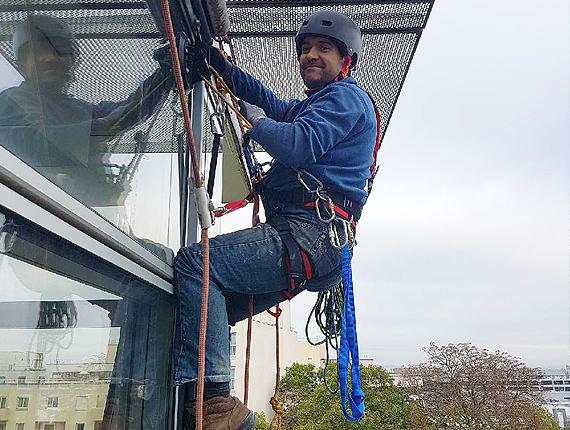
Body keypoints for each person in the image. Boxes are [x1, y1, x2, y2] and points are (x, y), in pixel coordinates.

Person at [174, 10, 377, 430]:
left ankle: (215, 404)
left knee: (197, 266)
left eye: (323, 49)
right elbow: (269, 100)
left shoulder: (346, 98)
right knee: (214, 308)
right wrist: (221, 67)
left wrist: (258, 122)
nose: (310, 56)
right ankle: (204, 404)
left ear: (346, 60)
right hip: (312, 245)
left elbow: (297, 146)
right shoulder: (315, 104)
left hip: (309, 233)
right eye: (305, 50)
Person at [0, 14, 173, 209]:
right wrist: (104, 127)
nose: (50, 58)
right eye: (40, 52)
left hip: (90, 221)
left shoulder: (81, 109)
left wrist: (167, 73)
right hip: (37, 223)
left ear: (72, 65)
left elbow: (134, 106)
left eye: (59, 52)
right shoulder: (12, 101)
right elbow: (33, 142)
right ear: (22, 67)